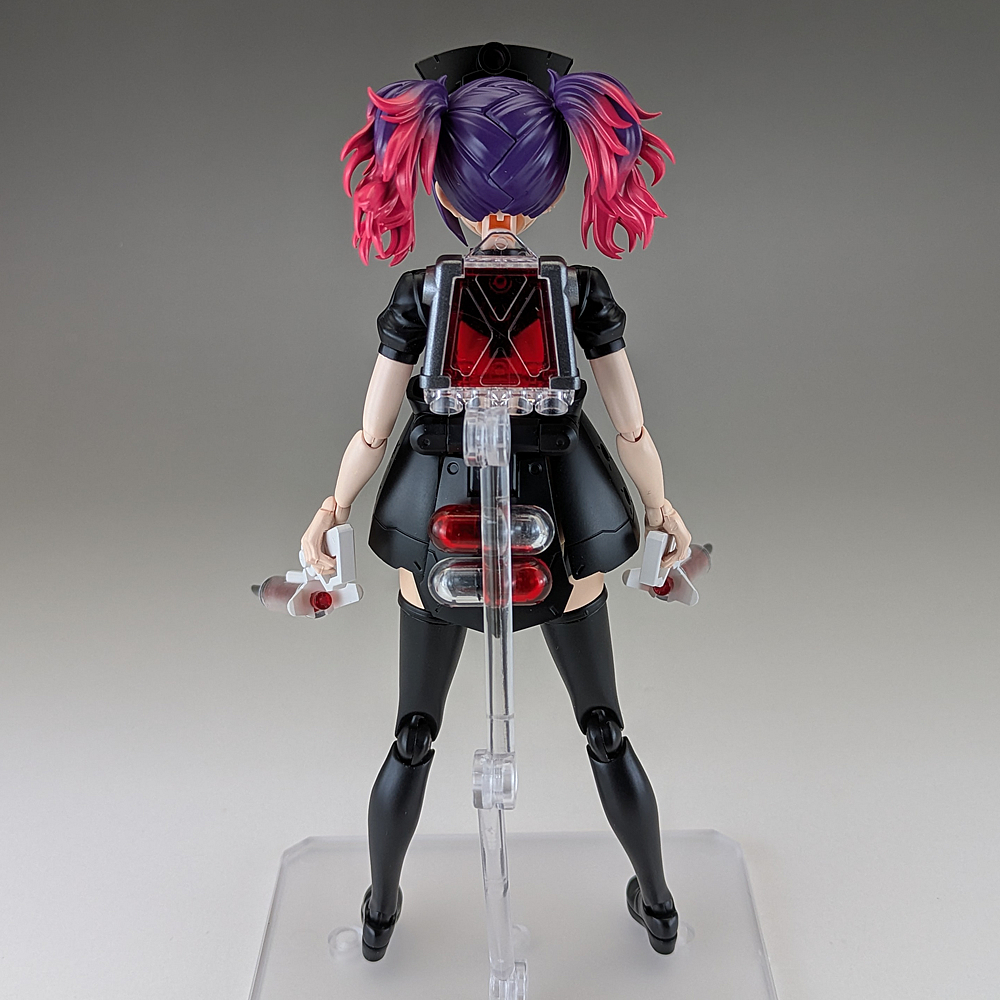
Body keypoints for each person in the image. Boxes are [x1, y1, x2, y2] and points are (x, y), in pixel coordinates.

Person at [299, 43, 692, 961]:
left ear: (444, 181)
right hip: (562, 533)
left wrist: (333, 509)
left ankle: (379, 911)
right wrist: (661, 507)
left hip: (438, 532)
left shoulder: (423, 291)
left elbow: (372, 432)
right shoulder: (576, 289)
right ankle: (660, 902)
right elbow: (630, 426)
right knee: (604, 728)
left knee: (414, 735)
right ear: (552, 182)